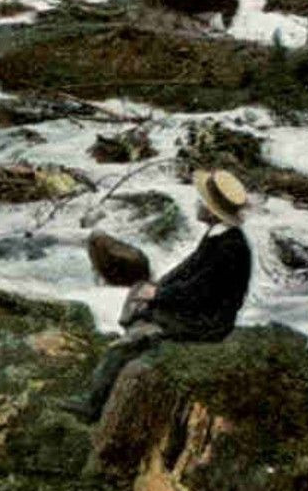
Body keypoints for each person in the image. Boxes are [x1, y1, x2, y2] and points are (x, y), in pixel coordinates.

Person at [67, 169, 253, 422]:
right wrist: (158, 288)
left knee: (122, 348)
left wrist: (158, 294)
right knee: (140, 295)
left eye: (204, 202)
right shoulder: (220, 237)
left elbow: (200, 291)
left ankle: (92, 407)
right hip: (200, 311)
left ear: (212, 211)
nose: (198, 204)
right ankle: (137, 330)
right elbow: (186, 271)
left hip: (207, 323)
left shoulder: (230, 248)